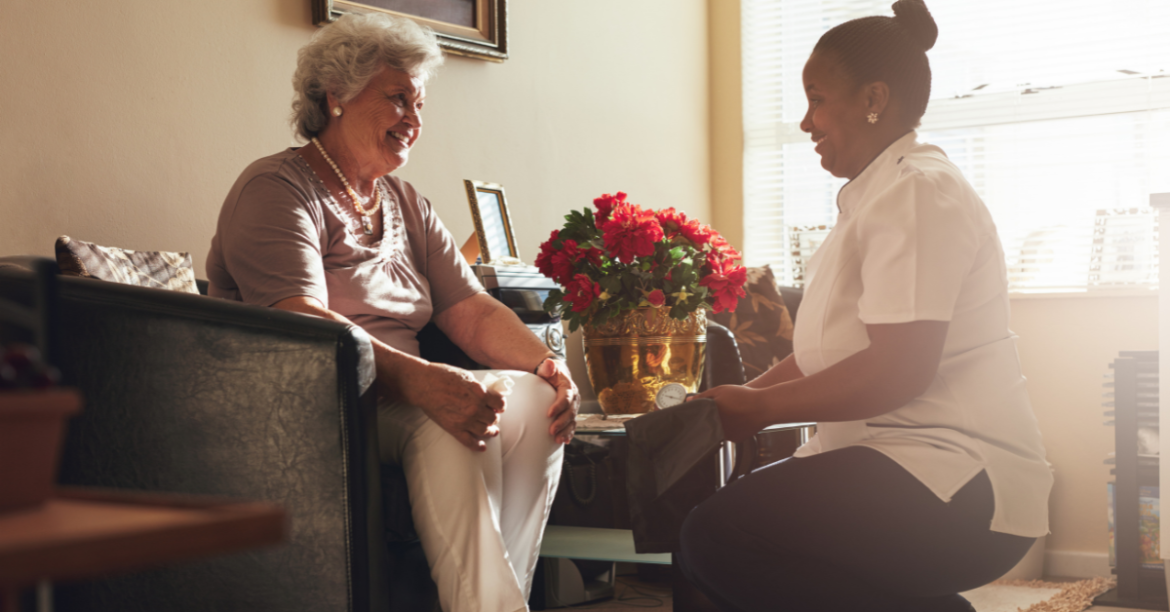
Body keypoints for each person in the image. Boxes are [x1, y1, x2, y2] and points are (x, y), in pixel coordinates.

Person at [677, 2, 1052, 611]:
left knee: (719, 537)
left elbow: (899, 369)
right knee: (707, 543)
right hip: (897, 459)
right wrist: (740, 403)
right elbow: (828, 355)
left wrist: (760, 408)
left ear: (875, 98)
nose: (805, 122)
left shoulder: (917, 192)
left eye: (817, 99)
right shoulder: (875, 197)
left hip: (957, 477)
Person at [205, 13, 578, 612]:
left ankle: (492, 603)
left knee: (535, 401)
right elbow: (302, 323)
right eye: (397, 98)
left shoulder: (404, 200)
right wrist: (425, 381)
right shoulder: (276, 188)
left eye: (420, 104)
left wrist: (547, 364)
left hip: (396, 391)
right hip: (313, 403)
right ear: (338, 98)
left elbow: (470, 309)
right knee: (451, 419)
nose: (414, 119)